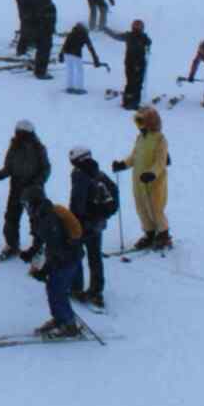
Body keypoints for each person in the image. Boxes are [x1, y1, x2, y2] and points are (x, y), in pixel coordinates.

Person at [0, 120, 50, 260]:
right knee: (11, 217)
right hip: (16, 187)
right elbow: (8, 168)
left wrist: (37, 183)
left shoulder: (38, 148)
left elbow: (46, 169)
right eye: (18, 133)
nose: (19, 136)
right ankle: (12, 245)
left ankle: (38, 247)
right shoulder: (14, 147)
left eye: (22, 134)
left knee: (36, 219)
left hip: (33, 190)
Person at [24, 187, 84, 339]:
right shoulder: (41, 214)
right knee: (53, 289)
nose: (25, 208)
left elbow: (56, 247)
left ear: (34, 203)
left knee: (58, 291)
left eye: (27, 204)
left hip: (68, 258)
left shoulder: (49, 219)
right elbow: (41, 238)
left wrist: (44, 270)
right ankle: (60, 319)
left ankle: (70, 326)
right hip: (61, 257)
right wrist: (32, 253)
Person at [111, 106, 170, 250]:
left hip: (154, 181)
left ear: (150, 121)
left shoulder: (160, 139)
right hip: (138, 180)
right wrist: (123, 164)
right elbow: (134, 157)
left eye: (141, 121)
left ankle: (163, 234)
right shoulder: (140, 138)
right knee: (141, 208)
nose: (139, 125)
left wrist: (152, 173)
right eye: (137, 122)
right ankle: (149, 233)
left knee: (155, 208)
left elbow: (161, 162)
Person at [67, 148, 118, 310]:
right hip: (97, 224)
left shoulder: (79, 175)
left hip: (82, 223)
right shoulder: (99, 173)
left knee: (75, 253)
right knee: (95, 256)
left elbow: (77, 202)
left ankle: (76, 287)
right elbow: (114, 193)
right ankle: (96, 291)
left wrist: (72, 221)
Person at [101, 19, 153, 110]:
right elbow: (148, 42)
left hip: (130, 63)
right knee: (136, 84)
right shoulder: (140, 37)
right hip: (137, 63)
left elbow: (116, 36)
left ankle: (128, 102)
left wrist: (106, 30)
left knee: (130, 83)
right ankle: (132, 103)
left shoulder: (130, 36)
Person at [58, 22, 104, 94]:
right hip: (76, 54)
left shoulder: (71, 33)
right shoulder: (84, 35)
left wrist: (61, 55)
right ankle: (79, 88)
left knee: (70, 70)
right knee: (80, 71)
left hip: (67, 53)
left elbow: (65, 45)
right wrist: (95, 59)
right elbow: (90, 47)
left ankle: (69, 87)